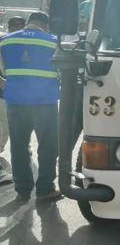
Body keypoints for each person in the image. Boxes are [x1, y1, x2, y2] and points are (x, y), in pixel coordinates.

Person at [0, 11, 62, 202]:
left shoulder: (5, 41)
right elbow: (63, 72)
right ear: (46, 25)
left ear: (29, 23)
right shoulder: (54, 42)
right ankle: (45, 189)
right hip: (45, 103)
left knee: (18, 146)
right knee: (48, 146)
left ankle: (23, 189)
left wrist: (5, 82)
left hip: (16, 102)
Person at [0, 16, 27, 184]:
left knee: (12, 126)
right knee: (3, 127)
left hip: (19, 95)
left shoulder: (25, 44)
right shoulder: (3, 42)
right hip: (3, 93)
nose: (17, 29)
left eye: (20, 26)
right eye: (14, 26)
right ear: (9, 27)